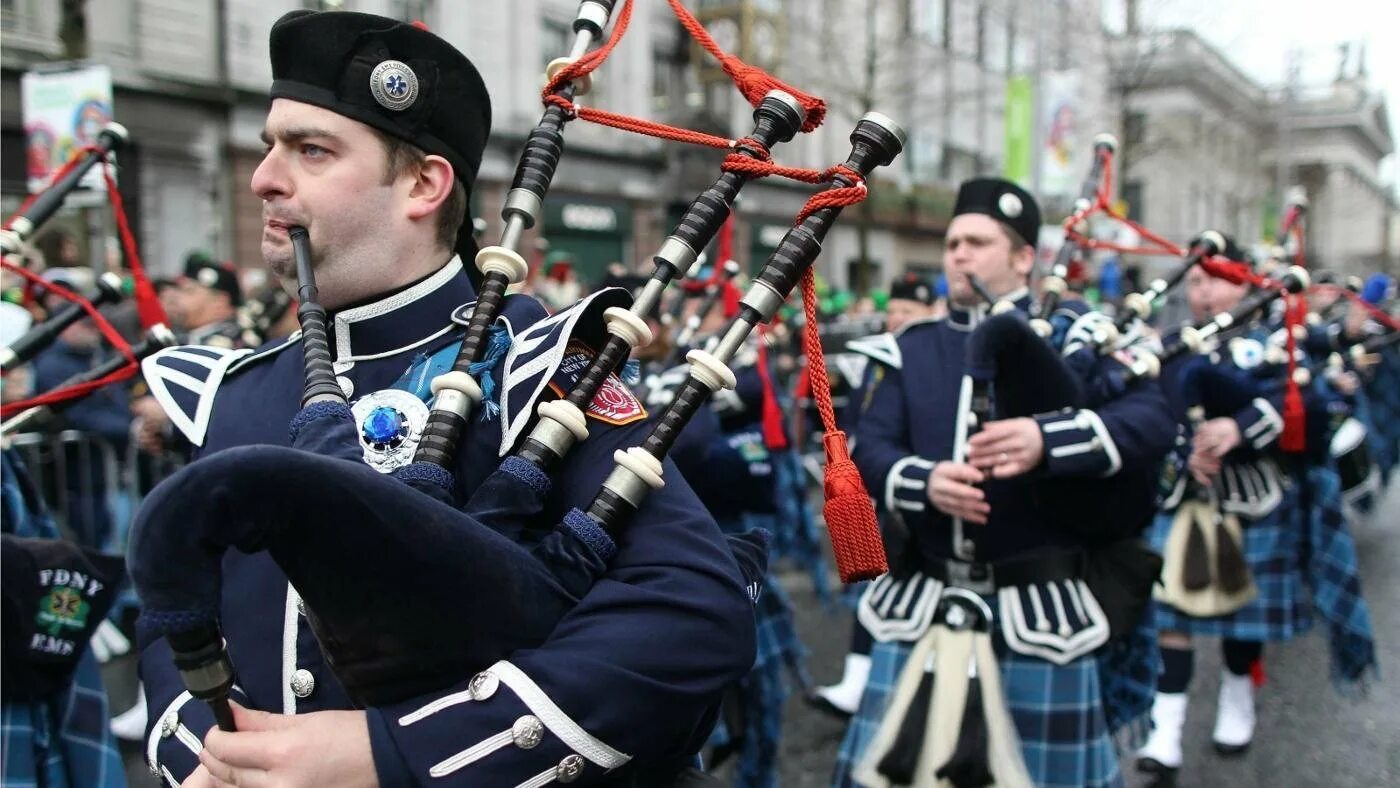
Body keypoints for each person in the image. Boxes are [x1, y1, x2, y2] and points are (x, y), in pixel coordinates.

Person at [135, 10, 754, 786]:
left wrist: (394, 754)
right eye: (270, 145)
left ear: (425, 185)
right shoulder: (233, 393)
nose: (264, 176)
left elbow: (690, 613)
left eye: (310, 150)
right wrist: (200, 748)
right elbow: (170, 607)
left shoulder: (538, 365)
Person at [832, 177, 1175, 788]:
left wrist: (1049, 441)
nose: (958, 253)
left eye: (978, 242)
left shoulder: (1080, 334)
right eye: (953, 242)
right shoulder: (911, 347)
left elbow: (1150, 422)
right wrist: (924, 480)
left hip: (1038, 610)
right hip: (923, 603)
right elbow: (871, 445)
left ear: (1024, 258)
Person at [1135, 251, 1377, 782]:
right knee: (1170, 615)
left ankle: (1237, 697)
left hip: (1255, 497)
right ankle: (1166, 729)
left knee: (1239, 612)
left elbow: (1304, 402)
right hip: (1186, 495)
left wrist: (1238, 429)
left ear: (1242, 286)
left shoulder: (1276, 339)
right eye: (1194, 282)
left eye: (1212, 282)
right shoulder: (1175, 344)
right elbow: (1145, 411)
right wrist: (1184, 452)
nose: (1199, 292)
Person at [809, 271, 939, 719]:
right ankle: (858, 679)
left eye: (909, 312)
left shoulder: (931, 359)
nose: (898, 319)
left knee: (903, 593)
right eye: (895, 311)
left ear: (931, 313)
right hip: (873, 488)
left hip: (918, 496)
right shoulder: (879, 356)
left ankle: (884, 682)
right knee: (872, 590)